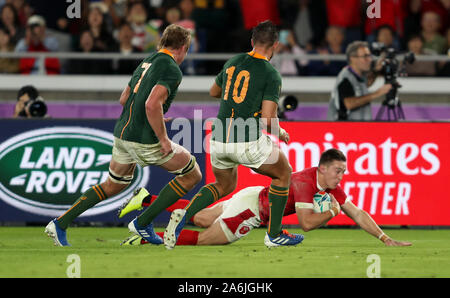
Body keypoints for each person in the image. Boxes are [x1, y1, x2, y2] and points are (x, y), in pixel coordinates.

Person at [44, 24, 202, 247]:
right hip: (144, 140)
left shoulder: (147, 61)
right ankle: (143, 222)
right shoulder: (171, 69)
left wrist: (154, 116)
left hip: (122, 135)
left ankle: (60, 223)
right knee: (192, 174)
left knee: (113, 185)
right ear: (183, 47)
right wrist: (163, 138)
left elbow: (124, 98)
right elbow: (150, 104)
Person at [162, 20, 303, 250]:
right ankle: (275, 234)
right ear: (275, 45)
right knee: (283, 173)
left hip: (218, 139)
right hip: (247, 140)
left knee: (223, 184)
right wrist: (282, 132)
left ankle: (185, 214)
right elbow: (268, 118)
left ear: (252, 42)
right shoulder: (271, 74)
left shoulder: (234, 61)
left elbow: (213, 91)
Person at [119, 149, 412, 247]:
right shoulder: (306, 182)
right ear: (322, 168)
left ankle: (146, 200)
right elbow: (308, 224)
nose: (341, 176)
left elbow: (357, 212)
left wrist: (385, 238)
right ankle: (146, 238)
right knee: (204, 239)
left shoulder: (329, 185)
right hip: (252, 211)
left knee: (199, 217)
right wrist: (331, 213)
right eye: (338, 171)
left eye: (344, 172)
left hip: (250, 196)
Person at [327, 41, 393, 121]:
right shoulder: (345, 78)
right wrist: (377, 93)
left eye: (369, 56)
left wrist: (376, 71)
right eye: (365, 56)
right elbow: (349, 104)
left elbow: (365, 84)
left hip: (360, 129)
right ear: (353, 58)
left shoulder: (359, 75)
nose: (369, 59)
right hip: (344, 129)